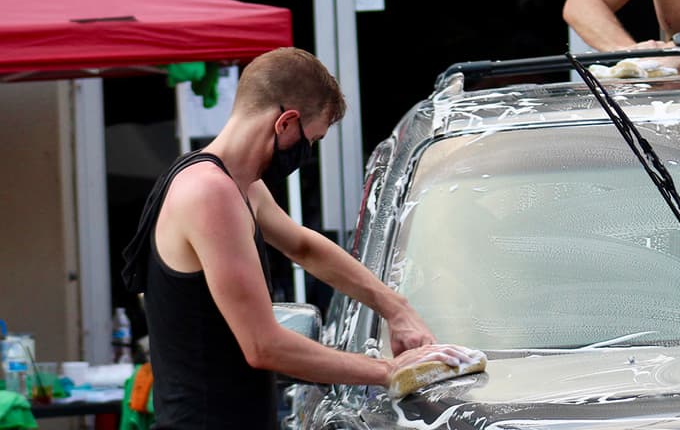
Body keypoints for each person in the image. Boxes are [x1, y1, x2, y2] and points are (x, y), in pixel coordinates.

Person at [122, 47, 470, 429]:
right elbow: (263, 345)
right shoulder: (209, 194)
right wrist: (390, 370)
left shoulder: (237, 185)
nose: (306, 155)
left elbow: (303, 246)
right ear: (285, 122)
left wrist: (396, 309)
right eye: (311, 140)